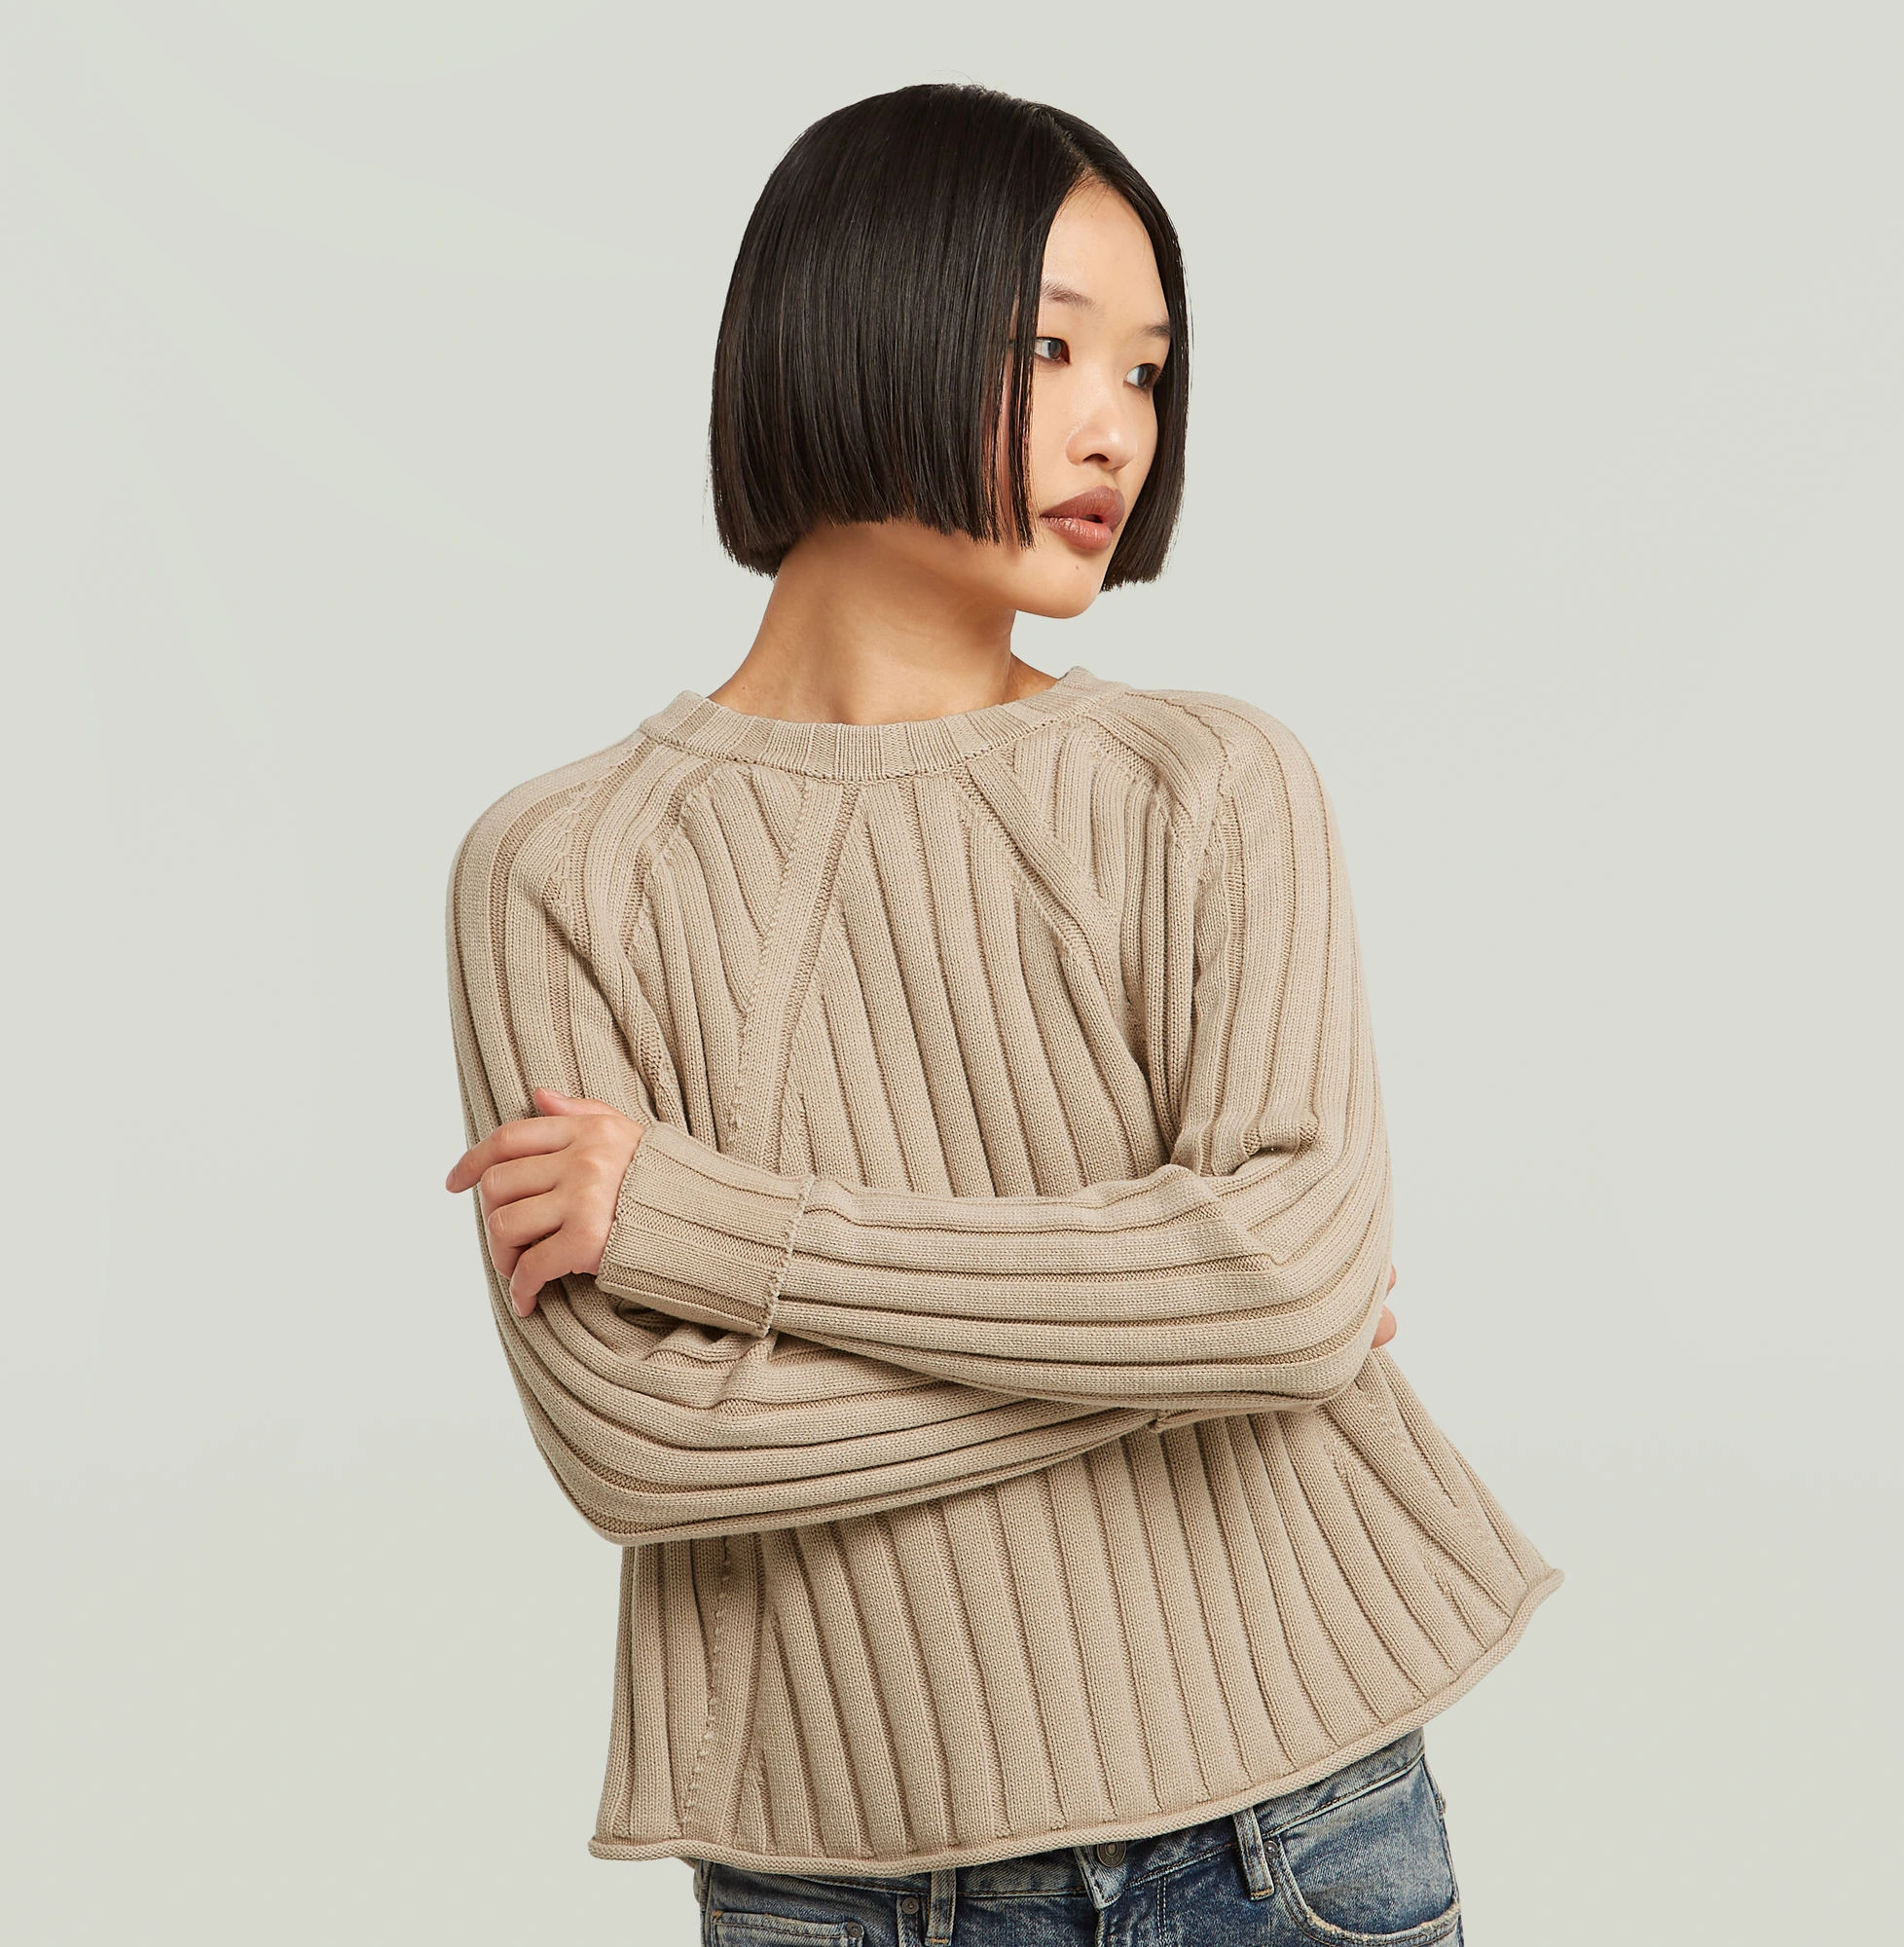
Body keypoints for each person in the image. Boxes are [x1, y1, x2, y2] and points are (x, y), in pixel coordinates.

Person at [443, 81, 1558, 1947]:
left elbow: (1285, 1286)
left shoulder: (1208, 784)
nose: (1116, 426)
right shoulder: (562, 870)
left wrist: (710, 1230)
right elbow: (641, 1444)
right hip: (840, 1892)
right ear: (855, 319)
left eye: (1149, 371)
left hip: (1292, 1846)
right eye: (1051, 348)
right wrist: (1183, 1338)